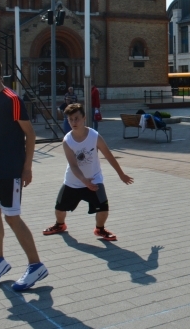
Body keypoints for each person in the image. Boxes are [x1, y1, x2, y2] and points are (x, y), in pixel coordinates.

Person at [0, 55, 47, 291]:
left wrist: (27, 167)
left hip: (11, 168)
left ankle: (36, 266)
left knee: (11, 216)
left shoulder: (12, 99)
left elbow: (30, 134)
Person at [42, 103, 134, 241]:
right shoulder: (67, 141)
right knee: (60, 209)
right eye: (70, 119)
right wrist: (84, 181)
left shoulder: (94, 136)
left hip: (94, 179)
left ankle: (100, 229)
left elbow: (109, 155)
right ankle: (59, 225)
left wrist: (121, 174)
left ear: (84, 118)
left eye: (77, 118)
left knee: (103, 209)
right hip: (73, 181)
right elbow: (73, 165)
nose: (74, 122)